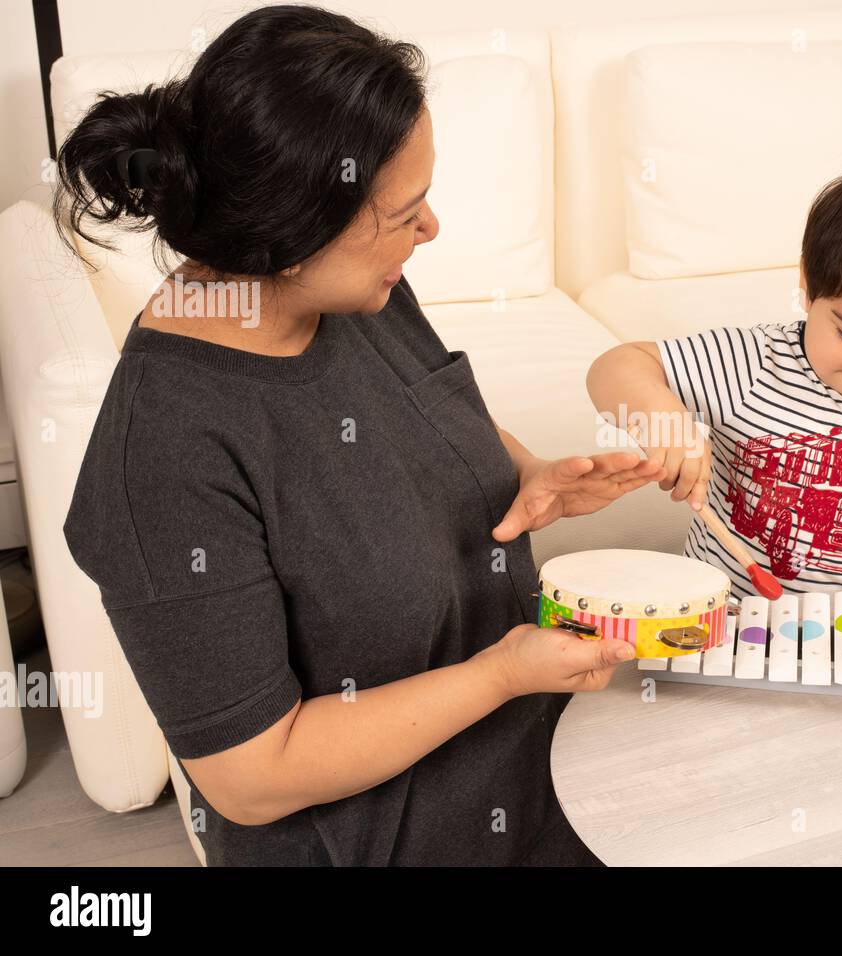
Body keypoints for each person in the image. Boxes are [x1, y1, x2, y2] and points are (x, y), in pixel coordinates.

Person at [54, 4, 664, 866]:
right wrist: (499, 673)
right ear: (293, 233)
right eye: (405, 209)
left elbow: (412, 404)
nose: (431, 228)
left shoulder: (352, 293)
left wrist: (525, 473)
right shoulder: (166, 459)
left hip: (553, 770)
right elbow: (252, 775)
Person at [587, 134, 842, 594]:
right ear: (806, 283)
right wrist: (662, 421)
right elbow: (616, 366)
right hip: (724, 616)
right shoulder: (753, 362)